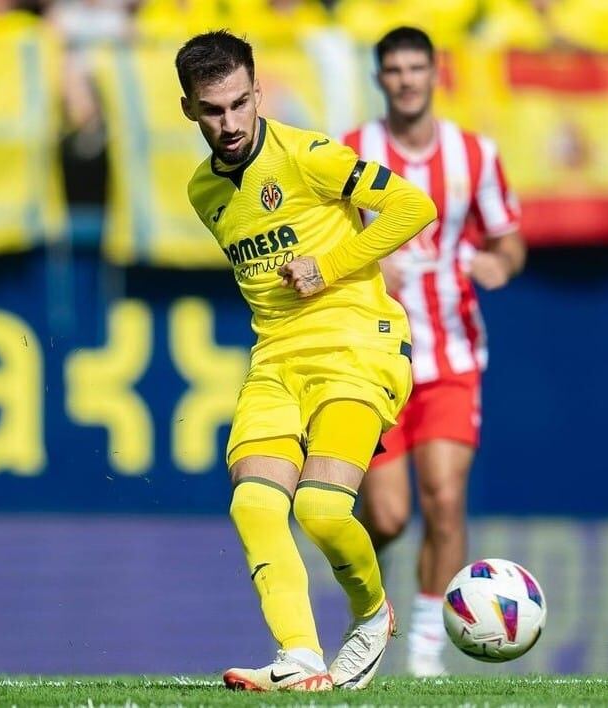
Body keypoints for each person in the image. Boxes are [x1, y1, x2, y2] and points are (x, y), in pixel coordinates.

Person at [177, 30, 437, 692]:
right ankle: (298, 655)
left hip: (357, 344)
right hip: (275, 358)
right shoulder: (203, 192)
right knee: (253, 505)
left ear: (257, 93)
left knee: (320, 509)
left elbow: (413, 206)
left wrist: (329, 264)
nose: (230, 123)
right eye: (213, 110)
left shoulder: (308, 155)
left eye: (240, 103)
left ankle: (372, 616)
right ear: (189, 110)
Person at [342, 26, 525, 677]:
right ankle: (367, 594)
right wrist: (365, 266)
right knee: (389, 516)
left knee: (444, 497)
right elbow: (324, 241)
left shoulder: (474, 155)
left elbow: (509, 238)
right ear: (379, 79)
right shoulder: (351, 153)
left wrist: (500, 264)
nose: (406, 81)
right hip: (377, 359)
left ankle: (425, 650)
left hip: (451, 358)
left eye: (416, 68)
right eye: (394, 70)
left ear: (434, 74)